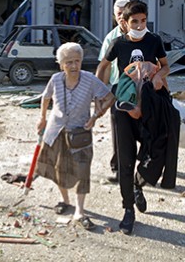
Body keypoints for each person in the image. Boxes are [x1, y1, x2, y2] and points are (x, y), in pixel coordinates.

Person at [95, 0, 174, 235]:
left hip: (151, 104)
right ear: (126, 23)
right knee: (126, 160)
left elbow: (166, 65)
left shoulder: (154, 40)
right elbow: (103, 66)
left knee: (158, 151)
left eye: (143, 21)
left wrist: (159, 74)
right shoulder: (118, 44)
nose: (139, 25)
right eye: (134, 22)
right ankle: (128, 209)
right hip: (125, 107)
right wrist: (101, 93)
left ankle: (139, 183)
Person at [35, 42, 114, 230]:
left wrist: (96, 116)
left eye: (77, 61)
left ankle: (80, 211)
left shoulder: (89, 80)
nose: (73, 66)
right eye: (69, 62)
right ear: (61, 64)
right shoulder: (55, 79)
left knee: (82, 170)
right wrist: (42, 118)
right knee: (57, 167)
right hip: (56, 130)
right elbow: (45, 98)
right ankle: (65, 200)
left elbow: (110, 97)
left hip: (80, 133)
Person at [98, 0, 130, 182]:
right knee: (119, 130)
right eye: (118, 14)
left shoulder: (144, 35)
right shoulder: (111, 38)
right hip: (119, 88)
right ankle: (119, 169)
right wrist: (101, 94)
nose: (121, 17)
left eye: (123, 13)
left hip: (140, 87)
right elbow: (105, 67)